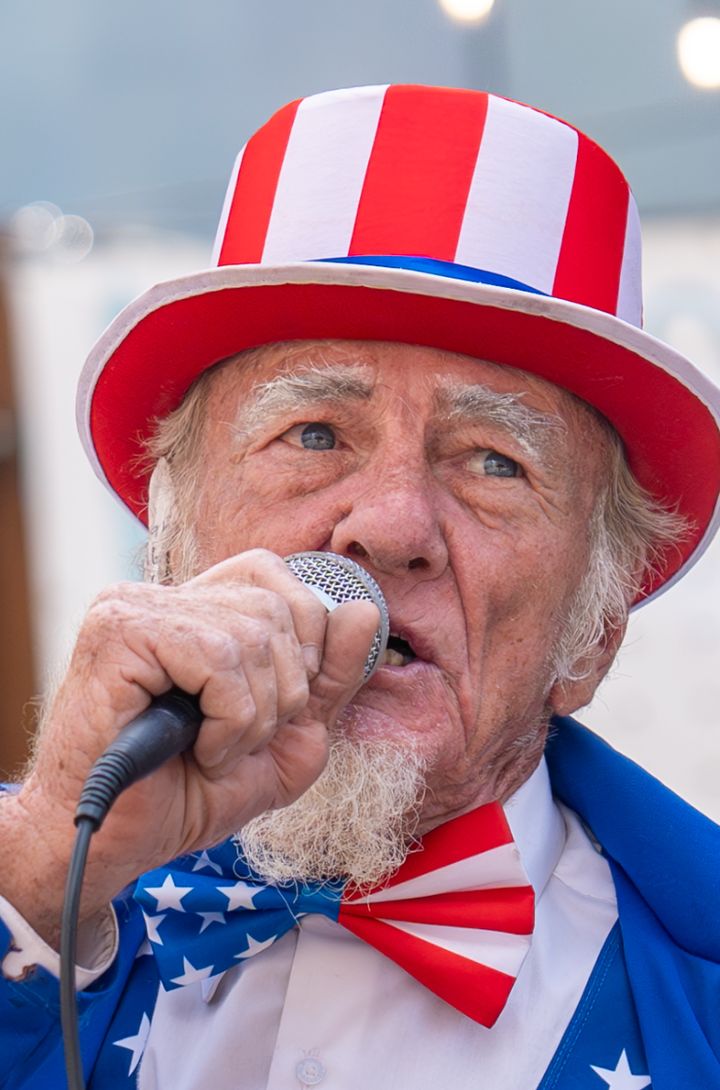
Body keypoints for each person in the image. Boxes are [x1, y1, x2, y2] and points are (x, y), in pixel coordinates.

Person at [1, 84, 719, 1090]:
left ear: (593, 635)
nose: (388, 527)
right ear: (170, 549)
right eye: (315, 433)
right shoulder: (33, 870)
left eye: (493, 462)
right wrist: (38, 872)